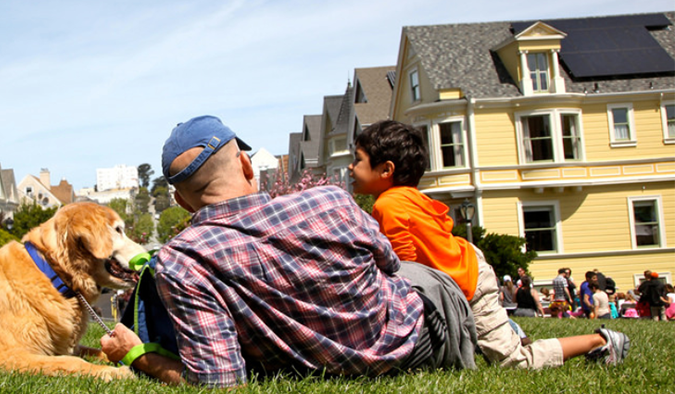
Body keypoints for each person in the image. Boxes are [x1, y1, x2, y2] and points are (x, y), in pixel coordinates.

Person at [101, 115, 478, 388]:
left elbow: (220, 382)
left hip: (322, 364)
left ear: (182, 202)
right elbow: (390, 265)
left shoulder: (182, 262)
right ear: (246, 165)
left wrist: (139, 354)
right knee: (434, 275)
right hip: (417, 341)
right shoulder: (332, 201)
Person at [348, 120, 628, 369]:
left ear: (386, 169)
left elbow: (406, 270)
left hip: (469, 282)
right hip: (465, 270)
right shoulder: (406, 196)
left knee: (513, 361)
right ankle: (510, 329)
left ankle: (600, 340)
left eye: (357, 160)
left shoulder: (388, 204)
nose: (351, 167)